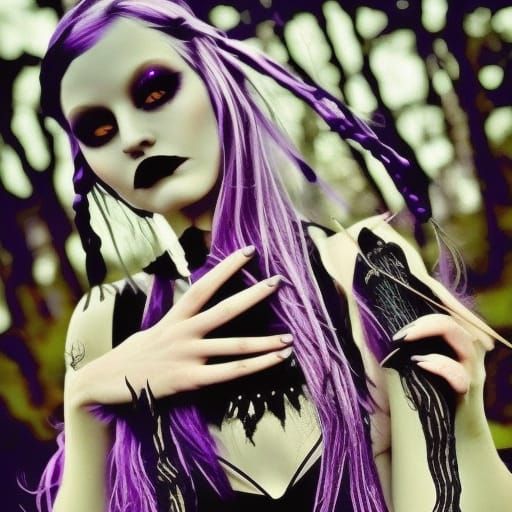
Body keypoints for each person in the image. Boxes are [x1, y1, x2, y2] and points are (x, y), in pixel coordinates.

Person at [36, 1, 512, 511]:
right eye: (99, 130)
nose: (133, 138)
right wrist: (83, 404)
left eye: (156, 92)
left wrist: (464, 424)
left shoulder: (365, 268)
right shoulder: (106, 324)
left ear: (217, 82)